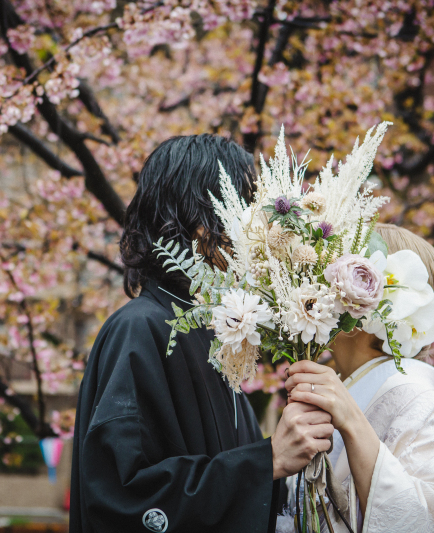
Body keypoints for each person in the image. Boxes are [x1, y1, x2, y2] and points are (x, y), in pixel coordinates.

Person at [69, 134, 335, 533]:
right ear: (199, 223)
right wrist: (268, 461)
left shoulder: (214, 333)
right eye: (243, 210)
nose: (254, 231)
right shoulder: (138, 329)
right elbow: (120, 498)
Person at [283, 223, 434, 533]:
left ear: (375, 304)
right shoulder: (347, 385)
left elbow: (427, 521)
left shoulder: (414, 393)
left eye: (342, 278)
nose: (325, 288)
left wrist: (354, 423)